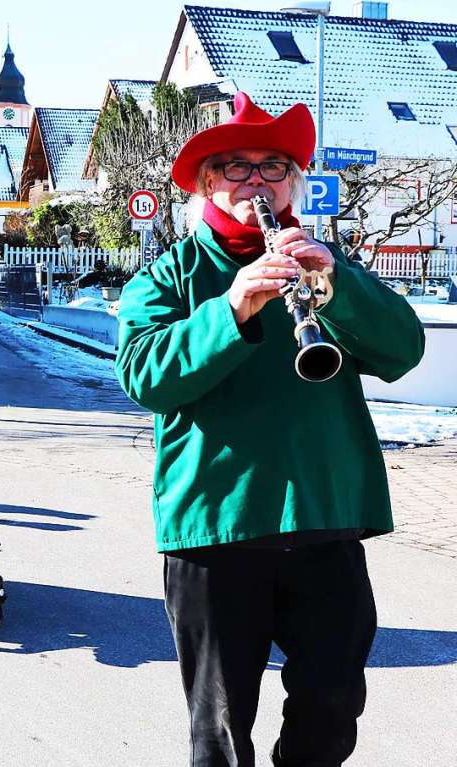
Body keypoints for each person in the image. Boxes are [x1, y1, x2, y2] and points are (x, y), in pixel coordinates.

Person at [114, 92, 425, 767]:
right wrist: (231, 307)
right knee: (220, 733)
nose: (257, 182)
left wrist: (340, 286)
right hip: (216, 528)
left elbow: (404, 350)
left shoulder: (322, 263)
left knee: (332, 706)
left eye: (273, 167)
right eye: (237, 168)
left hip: (323, 517)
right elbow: (144, 375)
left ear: (295, 181)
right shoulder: (167, 278)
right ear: (206, 184)